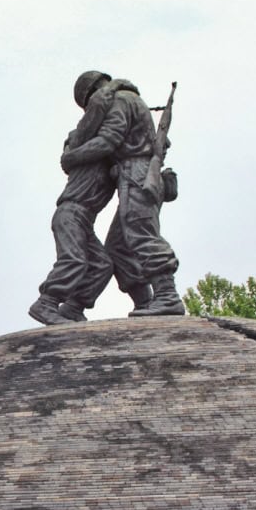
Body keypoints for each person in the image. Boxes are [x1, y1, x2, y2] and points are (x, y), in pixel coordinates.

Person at [60, 72, 184, 316]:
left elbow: (108, 140)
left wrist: (71, 158)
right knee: (118, 247)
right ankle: (145, 303)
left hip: (137, 173)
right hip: (134, 174)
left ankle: (167, 296)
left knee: (140, 233)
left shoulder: (120, 100)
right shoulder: (131, 100)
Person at [29, 71, 119, 325]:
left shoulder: (105, 157)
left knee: (102, 265)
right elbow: (104, 139)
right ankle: (46, 302)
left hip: (83, 219)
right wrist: (118, 87)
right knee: (75, 260)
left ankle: (73, 307)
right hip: (70, 213)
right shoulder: (80, 142)